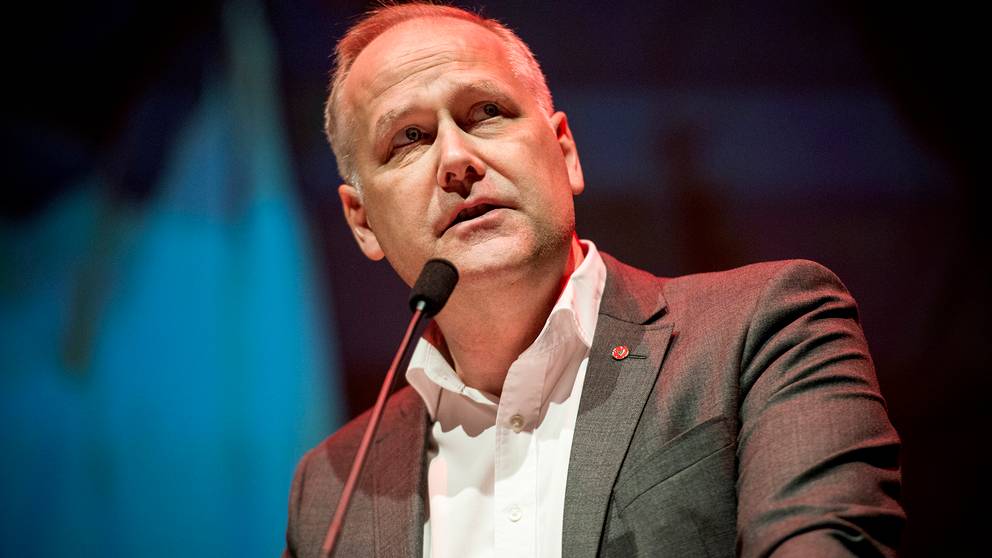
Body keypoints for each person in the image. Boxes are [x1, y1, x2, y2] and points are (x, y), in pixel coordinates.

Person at [283, 3, 905, 557]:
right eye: (409, 138)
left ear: (566, 152)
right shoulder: (331, 489)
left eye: (486, 113)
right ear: (362, 222)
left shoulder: (766, 329)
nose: (456, 161)